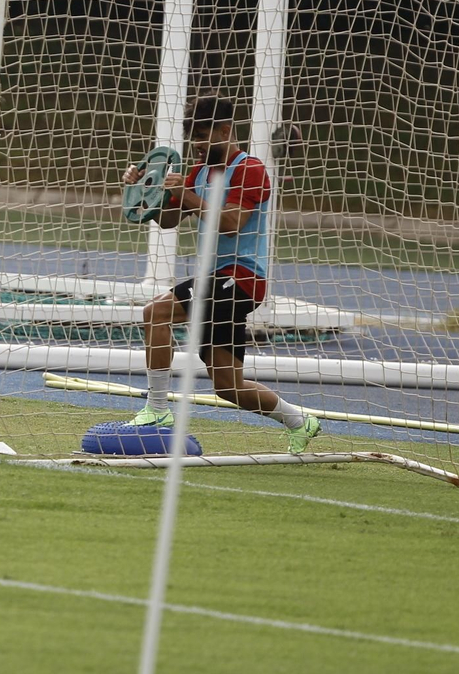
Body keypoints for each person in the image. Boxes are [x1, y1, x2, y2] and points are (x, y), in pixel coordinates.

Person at [121, 93, 321, 453]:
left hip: (241, 277)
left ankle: (157, 410)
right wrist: (144, 190)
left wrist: (187, 195)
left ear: (224, 130)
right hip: (217, 280)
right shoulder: (197, 172)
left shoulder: (250, 169)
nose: (195, 145)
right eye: (192, 137)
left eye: (201, 136)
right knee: (228, 386)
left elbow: (231, 222)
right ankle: (300, 421)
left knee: (156, 312)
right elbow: (167, 221)